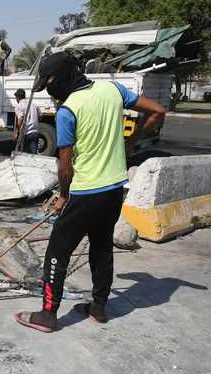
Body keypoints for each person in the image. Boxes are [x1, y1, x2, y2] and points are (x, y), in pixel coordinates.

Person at [14, 52, 166, 332]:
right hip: (114, 190)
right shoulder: (113, 89)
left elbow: (65, 168)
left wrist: (62, 195)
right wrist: (131, 140)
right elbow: (158, 111)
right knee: (101, 247)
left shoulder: (68, 110)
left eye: (48, 84)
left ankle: (48, 314)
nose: (49, 90)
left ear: (60, 77)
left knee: (58, 250)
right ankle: (98, 308)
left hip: (85, 192)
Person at [13, 88, 41, 154]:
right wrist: (34, 121)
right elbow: (40, 115)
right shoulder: (33, 104)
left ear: (17, 97)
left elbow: (20, 119)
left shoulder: (19, 106)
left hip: (26, 133)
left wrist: (16, 132)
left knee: (22, 154)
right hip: (35, 132)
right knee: (33, 154)